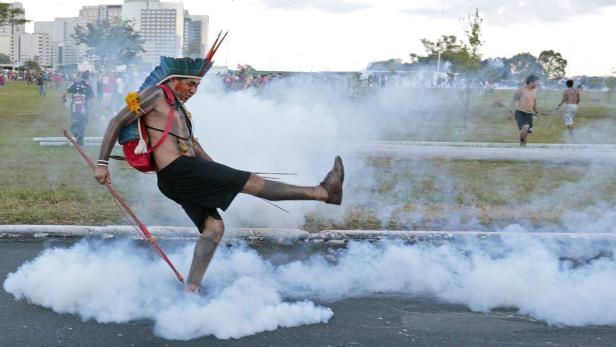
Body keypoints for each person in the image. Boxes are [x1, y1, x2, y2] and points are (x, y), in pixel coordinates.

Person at [94, 54, 345, 293]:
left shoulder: (178, 108)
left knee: (213, 229)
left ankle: (191, 289)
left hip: (177, 177)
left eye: (197, 86)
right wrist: (102, 163)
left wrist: (214, 168)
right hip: (178, 170)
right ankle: (324, 192)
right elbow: (116, 121)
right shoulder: (156, 94)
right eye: (190, 84)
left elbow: (192, 144)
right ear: (173, 80)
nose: (193, 90)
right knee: (254, 183)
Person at [63, 71, 95, 146]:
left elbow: (64, 94)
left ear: (81, 76)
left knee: (74, 124)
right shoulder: (88, 86)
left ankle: (77, 135)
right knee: (82, 125)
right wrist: (90, 106)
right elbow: (92, 98)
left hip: (75, 108)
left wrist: (64, 99)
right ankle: (80, 142)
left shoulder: (74, 84)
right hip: (84, 108)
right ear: (88, 78)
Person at [509, 74, 540, 147]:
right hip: (520, 112)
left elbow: (534, 105)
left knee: (526, 134)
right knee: (525, 127)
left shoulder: (534, 92)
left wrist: (537, 113)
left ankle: (523, 147)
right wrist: (510, 112)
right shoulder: (521, 90)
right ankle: (521, 142)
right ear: (531, 82)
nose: (538, 84)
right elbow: (513, 101)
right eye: (536, 82)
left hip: (529, 114)